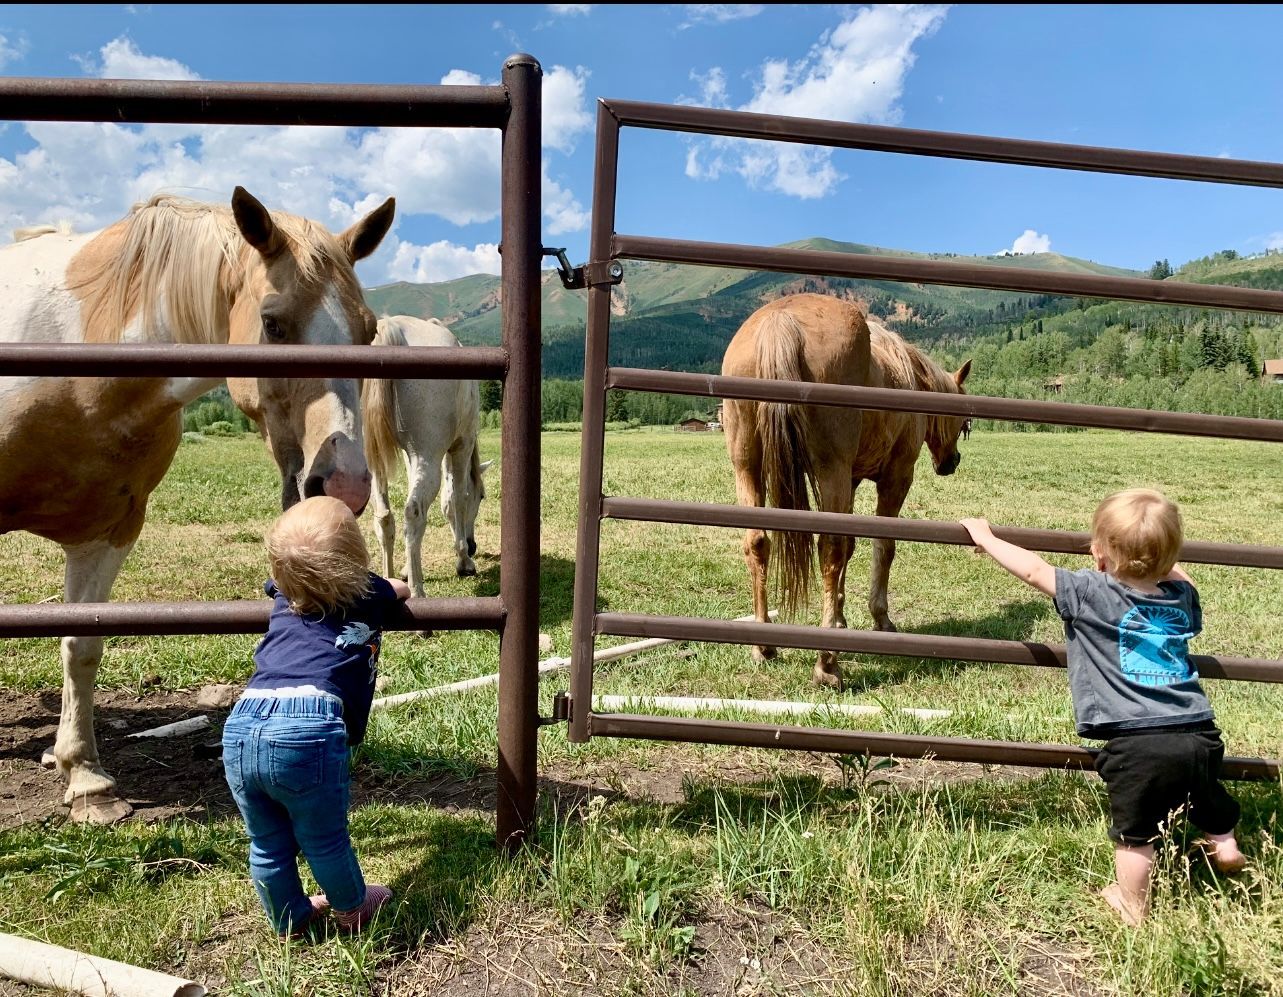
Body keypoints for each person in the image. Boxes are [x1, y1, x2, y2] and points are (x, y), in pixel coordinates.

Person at [960, 487, 1245, 926]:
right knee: (1205, 794)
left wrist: (987, 538)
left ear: (1099, 552)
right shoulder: (1180, 598)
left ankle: (1132, 904)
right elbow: (1186, 581)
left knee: (1136, 836)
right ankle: (1224, 843)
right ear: (1170, 555)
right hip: (1198, 727)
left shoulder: (1089, 590)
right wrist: (1165, 558)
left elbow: (1035, 570)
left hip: (1136, 741)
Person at [222, 496, 411, 938]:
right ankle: (353, 908)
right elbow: (400, 587)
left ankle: (289, 918)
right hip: (307, 726)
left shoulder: (284, 592)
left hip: (243, 722)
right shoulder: (367, 592)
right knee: (324, 837)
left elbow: (279, 581)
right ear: (355, 564)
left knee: (267, 842)